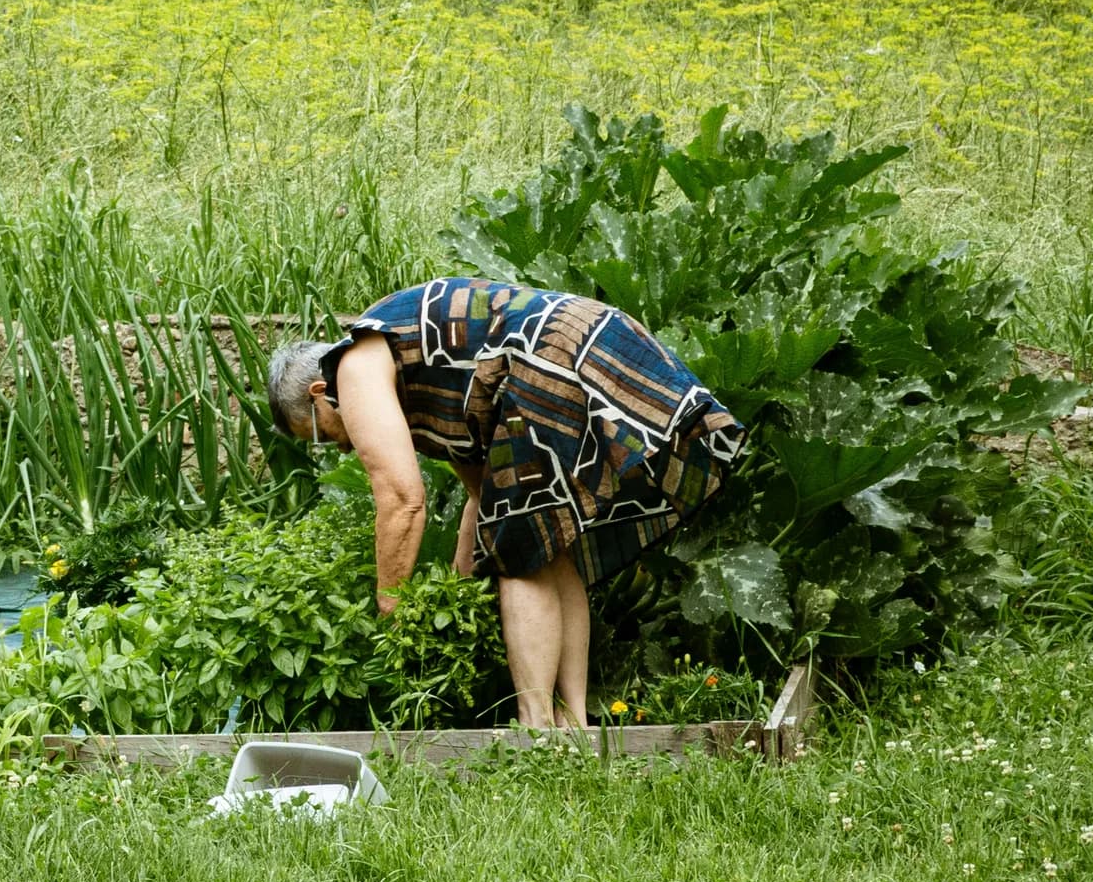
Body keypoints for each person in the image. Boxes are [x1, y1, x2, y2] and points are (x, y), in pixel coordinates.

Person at [266, 277, 745, 730]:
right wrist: (460, 577)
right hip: (584, 343)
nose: (340, 448)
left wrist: (391, 603)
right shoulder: (406, 376)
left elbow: (401, 500)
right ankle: (571, 724)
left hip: (549, 360)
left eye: (320, 436)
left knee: (520, 553)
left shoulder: (353, 367)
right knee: (550, 548)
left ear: (319, 395)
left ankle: (535, 729)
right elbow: (483, 491)